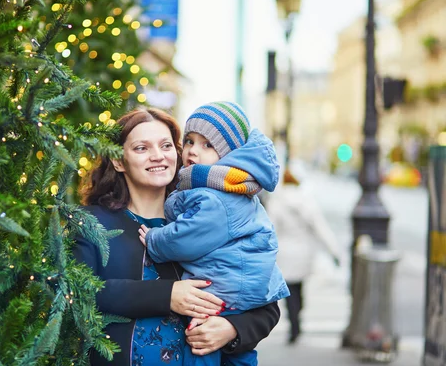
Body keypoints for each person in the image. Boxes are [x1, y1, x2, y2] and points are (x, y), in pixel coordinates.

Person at [73, 107, 281, 366]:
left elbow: (267, 302)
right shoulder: (91, 222)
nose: (157, 156)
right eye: (142, 148)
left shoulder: (204, 218)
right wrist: (167, 295)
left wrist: (232, 329)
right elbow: (79, 292)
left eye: (166, 146)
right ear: (118, 160)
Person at [139, 101, 290, 366]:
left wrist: (154, 239)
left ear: (228, 154)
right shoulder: (215, 185)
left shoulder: (213, 195)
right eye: (189, 141)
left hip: (225, 287)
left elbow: (185, 238)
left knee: (201, 340)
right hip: (237, 282)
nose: (193, 151)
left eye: (208, 145)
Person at [265, 169, 342, 344]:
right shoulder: (307, 201)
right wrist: (334, 252)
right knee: (299, 288)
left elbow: (271, 229)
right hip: (304, 253)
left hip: (285, 252)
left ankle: (294, 324)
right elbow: (321, 229)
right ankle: (297, 318)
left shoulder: (277, 202)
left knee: (290, 290)